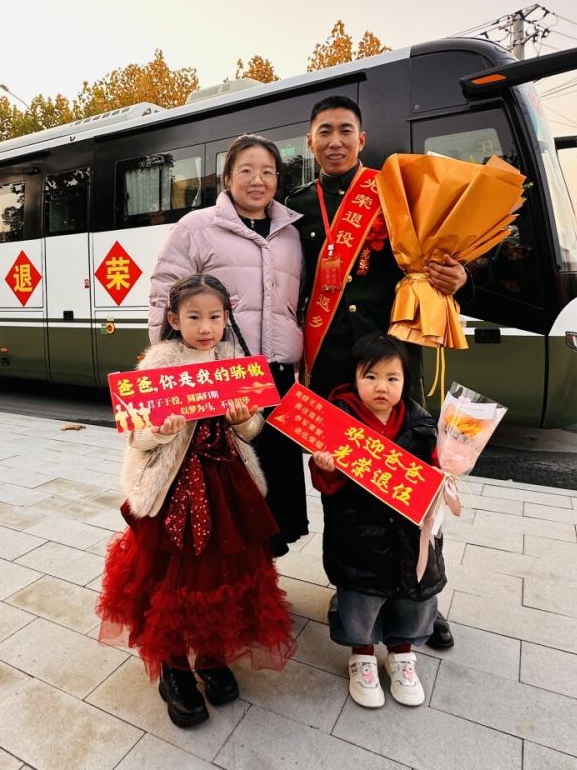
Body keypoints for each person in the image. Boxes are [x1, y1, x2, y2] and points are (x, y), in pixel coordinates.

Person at [287, 94, 468, 650]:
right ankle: (351, 591)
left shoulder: (395, 195)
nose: (335, 140)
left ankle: (420, 594)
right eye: (324, 131)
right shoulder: (294, 206)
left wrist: (459, 277)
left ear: (362, 139)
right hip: (328, 371)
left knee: (412, 481)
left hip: (392, 367)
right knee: (339, 489)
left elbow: (436, 264)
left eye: (345, 130)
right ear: (310, 141)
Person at [97, 274, 295, 729]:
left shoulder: (233, 359)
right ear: (173, 319)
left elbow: (253, 428)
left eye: (215, 317)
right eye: (194, 317)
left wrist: (243, 421)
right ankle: (174, 668)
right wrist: (159, 430)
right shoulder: (158, 363)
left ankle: (210, 655)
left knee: (224, 572)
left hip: (228, 483)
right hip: (174, 487)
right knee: (171, 577)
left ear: (226, 318)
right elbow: (136, 437)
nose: (206, 327)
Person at [148, 134, 307, 556]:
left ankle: (261, 581)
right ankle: (230, 580)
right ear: (227, 176)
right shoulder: (196, 227)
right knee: (228, 494)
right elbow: (164, 294)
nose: (258, 180)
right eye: (246, 170)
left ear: (278, 178)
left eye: (268, 172)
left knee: (273, 496)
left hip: (277, 378)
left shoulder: (291, 233)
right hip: (221, 376)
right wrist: (168, 364)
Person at [310, 334, 460, 709]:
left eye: (392, 378)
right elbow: (327, 487)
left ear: (405, 381)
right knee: (360, 601)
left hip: (411, 539)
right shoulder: (338, 421)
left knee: (415, 599)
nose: (382, 387)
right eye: (371, 377)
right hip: (357, 537)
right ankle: (361, 657)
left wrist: (447, 472)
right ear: (354, 379)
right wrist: (324, 466)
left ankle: (402, 654)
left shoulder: (422, 425)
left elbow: (435, 474)